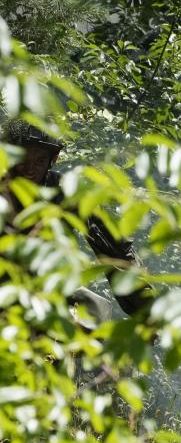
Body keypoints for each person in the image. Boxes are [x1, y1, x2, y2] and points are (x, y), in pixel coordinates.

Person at [2, 120, 152, 323]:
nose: (30, 169)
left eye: (39, 161)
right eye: (23, 160)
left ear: (52, 160)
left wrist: (147, 312)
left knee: (94, 310)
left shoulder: (66, 193)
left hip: (45, 290)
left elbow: (115, 251)